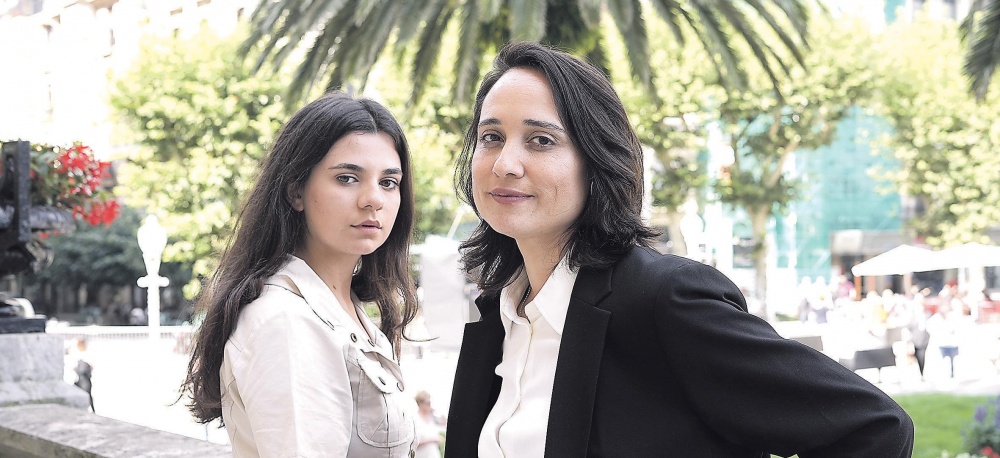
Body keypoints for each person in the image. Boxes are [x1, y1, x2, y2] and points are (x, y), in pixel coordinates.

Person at [445, 42, 914, 457]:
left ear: (597, 161)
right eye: (491, 137)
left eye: (541, 140)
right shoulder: (496, 311)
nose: (505, 163)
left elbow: (873, 427)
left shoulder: (662, 300)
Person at [180, 92, 419, 456]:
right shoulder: (285, 321)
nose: (373, 199)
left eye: (389, 182)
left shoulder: (345, 311)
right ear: (296, 191)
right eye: (347, 178)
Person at [413, 391, 446, 458]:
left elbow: (444, 423)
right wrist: (432, 439)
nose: (430, 406)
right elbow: (413, 443)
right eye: (428, 403)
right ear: (421, 404)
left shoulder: (432, 418)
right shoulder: (414, 419)